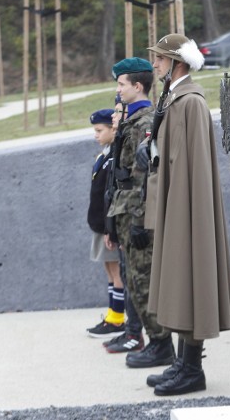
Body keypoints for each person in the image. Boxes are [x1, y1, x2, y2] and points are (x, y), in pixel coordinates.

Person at [141, 34, 230, 396]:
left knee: (190, 277)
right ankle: (183, 362)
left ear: (176, 63)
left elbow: (192, 163)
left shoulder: (191, 102)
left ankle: (192, 367)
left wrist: (183, 206)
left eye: (161, 59)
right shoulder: (173, 97)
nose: (155, 65)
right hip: (176, 199)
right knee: (179, 279)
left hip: (188, 203)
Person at [105, 57, 176, 369]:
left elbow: (147, 179)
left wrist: (137, 222)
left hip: (138, 215)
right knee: (135, 281)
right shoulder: (132, 120)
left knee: (143, 281)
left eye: (122, 84)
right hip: (126, 212)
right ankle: (156, 341)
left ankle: (161, 344)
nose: (118, 89)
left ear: (137, 86)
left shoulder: (145, 122)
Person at [102, 99, 146, 354]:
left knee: (136, 281)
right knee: (128, 276)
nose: (114, 118)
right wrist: (111, 227)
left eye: (119, 113)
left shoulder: (138, 129)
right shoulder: (118, 140)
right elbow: (112, 188)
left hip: (133, 216)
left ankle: (137, 335)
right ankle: (131, 330)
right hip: (121, 215)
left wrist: (137, 221)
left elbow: (139, 181)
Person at [84, 107, 126, 338]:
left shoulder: (114, 157)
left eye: (100, 130)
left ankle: (118, 319)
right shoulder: (104, 155)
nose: (96, 135)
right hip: (99, 225)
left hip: (109, 227)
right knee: (109, 271)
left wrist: (112, 228)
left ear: (113, 129)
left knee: (116, 270)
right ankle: (112, 314)